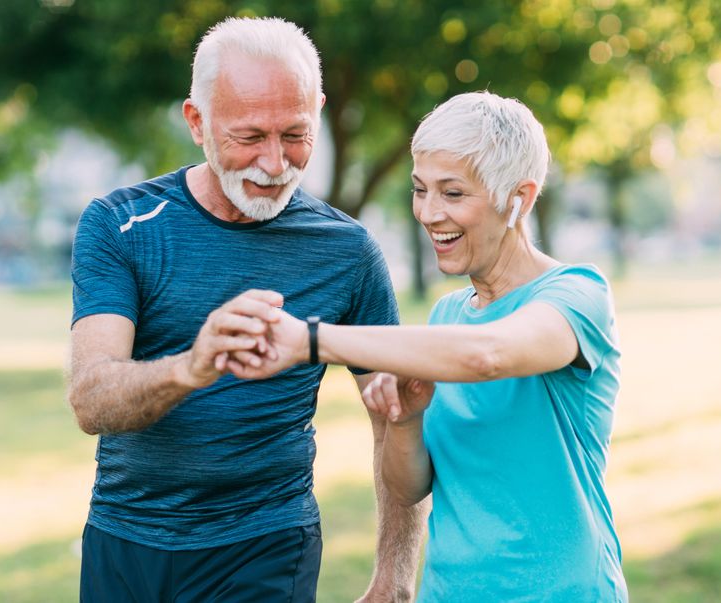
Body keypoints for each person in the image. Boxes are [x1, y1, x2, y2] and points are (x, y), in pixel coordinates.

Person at [66, 16, 427, 603]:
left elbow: (393, 413)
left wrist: (396, 574)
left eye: (295, 134)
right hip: (127, 539)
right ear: (197, 123)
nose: (275, 163)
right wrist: (193, 365)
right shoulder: (119, 225)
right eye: (249, 136)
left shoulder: (348, 251)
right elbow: (91, 399)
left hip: (268, 543)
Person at [221, 91, 628, 601]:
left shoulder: (577, 296)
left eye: (453, 194)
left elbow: (489, 355)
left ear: (518, 198)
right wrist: (406, 419)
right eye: (420, 190)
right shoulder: (447, 317)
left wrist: (311, 340)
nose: (429, 213)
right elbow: (411, 487)